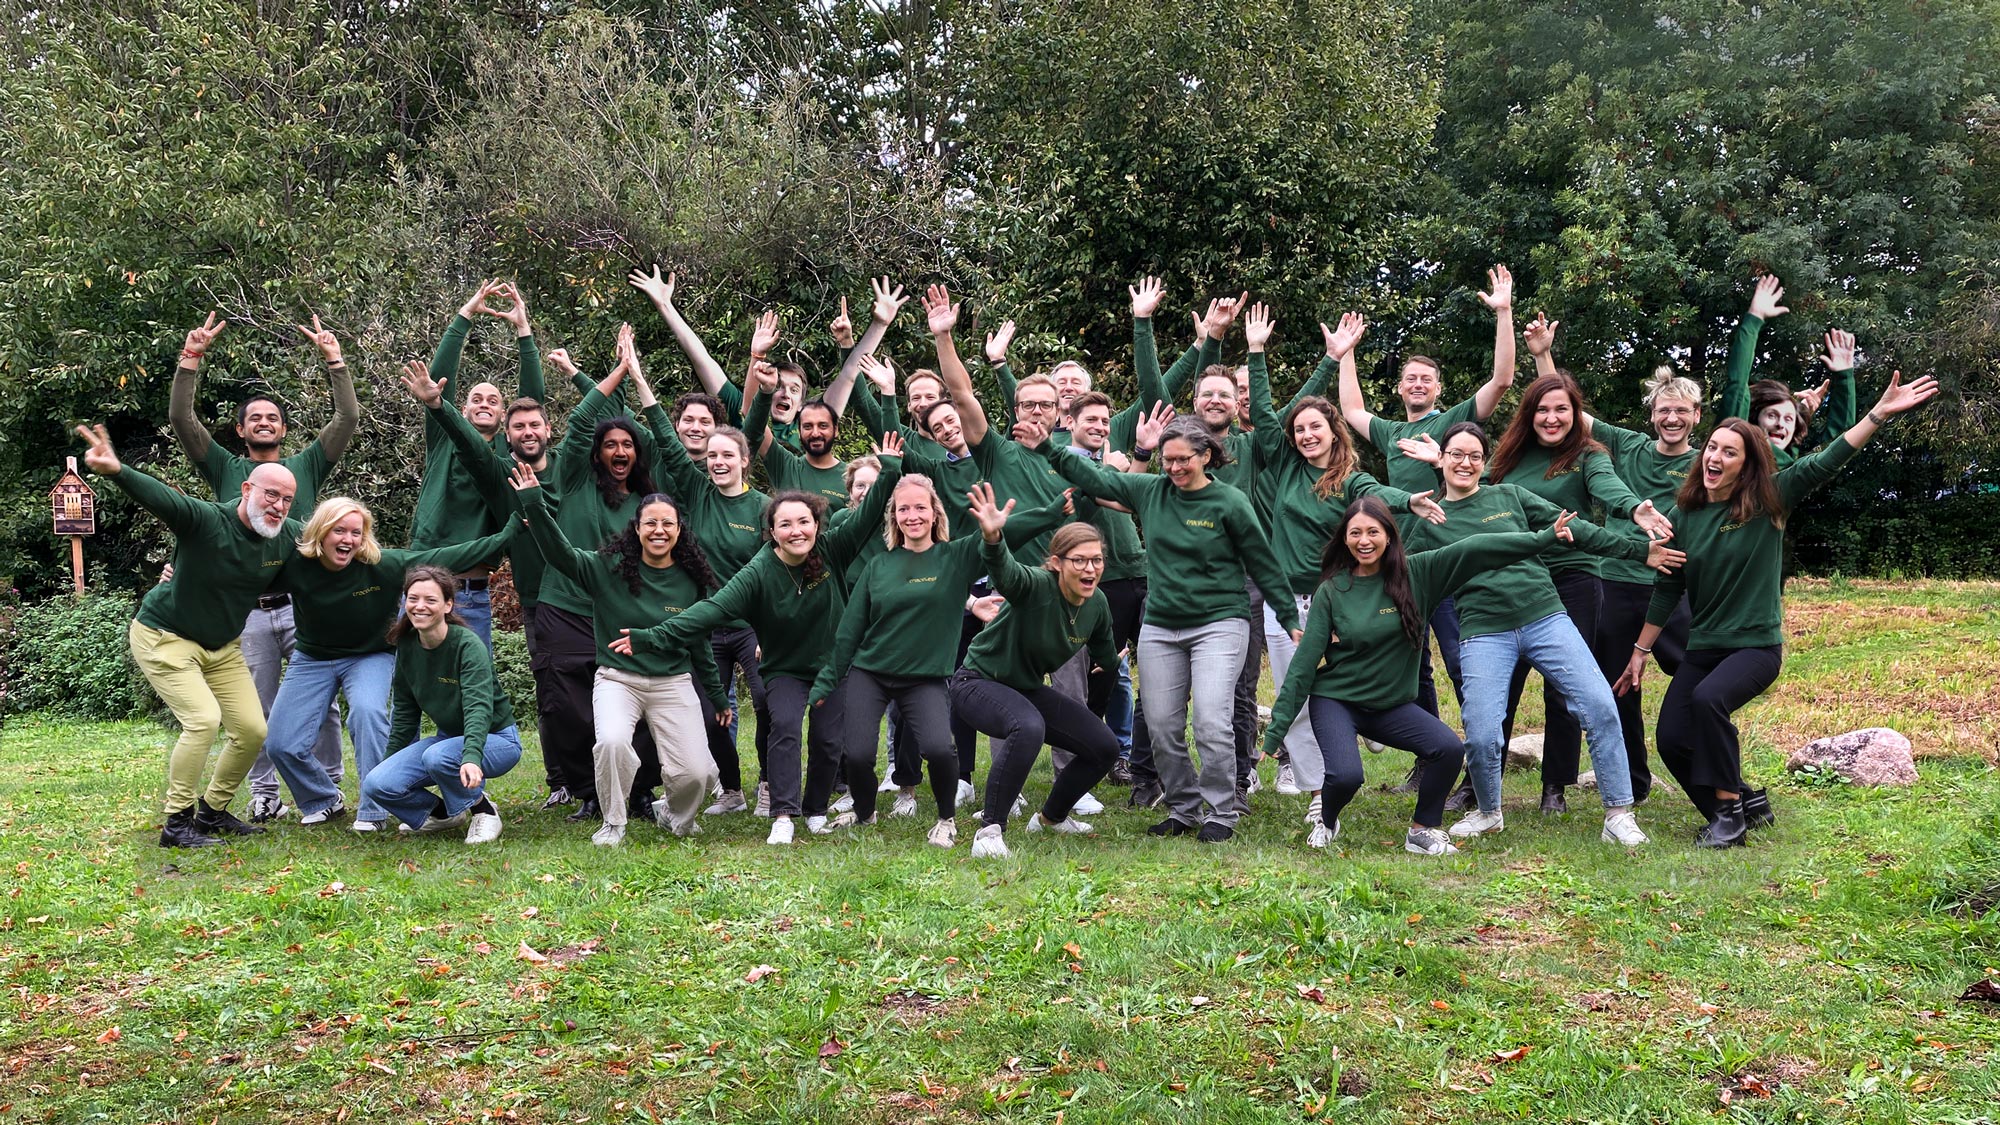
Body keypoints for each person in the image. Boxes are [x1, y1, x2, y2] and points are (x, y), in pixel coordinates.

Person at [1618, 373, 1939, 846]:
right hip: (1703, 647)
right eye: (1712, 448)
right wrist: (1641, 651)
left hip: (1754, 648)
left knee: (1709, 703)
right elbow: (1668, 588)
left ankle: (1728, 818)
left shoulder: (1768, 501)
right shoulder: (1685, 513)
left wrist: (1877, 414)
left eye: (1730, 452)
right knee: (1671, 740)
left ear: (1747, 465)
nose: (1715, 457)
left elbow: (1827, 460)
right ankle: (1743, 803)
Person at [1404, 422, 1683, 846]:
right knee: (1481, 734)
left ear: (1485, 463)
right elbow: (1403, 585)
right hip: (1483, 632)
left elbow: (1577, 529)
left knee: (1600, 706)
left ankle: (1618, 815)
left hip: (1545, 617)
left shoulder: (1509, 496)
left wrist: (1638, 550)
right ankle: (1488, 811)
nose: (1465, 463)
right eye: (1456, 454)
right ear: (1440, 459)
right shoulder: (1429, 524)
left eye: (1474, 456)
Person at [1264, 499, 1587, 855]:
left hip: (1389, 706)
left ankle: (1422, 830)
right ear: (1344, 539)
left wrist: (1541, 539)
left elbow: (1476, 548)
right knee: (1346, 776)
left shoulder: (1418, 574)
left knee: (1448, 750)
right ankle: (1327, 819)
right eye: (1355, 533)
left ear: (1389, 536)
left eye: (1373, 531)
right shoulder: (1333, 590)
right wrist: (1275, 733)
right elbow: (1304, 663)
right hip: (1337, 700)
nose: (1364, 540)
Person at [624, 441, 903, 845]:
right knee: (785, 727)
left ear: (817, 525)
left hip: (833, 666)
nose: (797, 531)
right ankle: (784, 814)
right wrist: (653, 636)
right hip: (785, 668)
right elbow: (711, 610)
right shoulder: (759, 571)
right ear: (771, 530)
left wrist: (890, 468)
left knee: (828, 741)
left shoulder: (834, 549)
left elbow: (873, 508)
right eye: (786, 524)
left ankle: (815, 810)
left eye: (804, 522)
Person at [1037, 413, 1299, 843]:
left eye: (1183, 460)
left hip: (1219, 623)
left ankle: (1221, 812)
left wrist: (1288, 616)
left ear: (1207, 455)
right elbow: (1096, 478)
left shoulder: (1229, 502)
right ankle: (1183, 808)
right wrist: (1049, 445)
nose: (1174, 468)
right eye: (1167, 459)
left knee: (1213, 720)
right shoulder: (1151, 491)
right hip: (1161, 627)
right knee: (1160, 724)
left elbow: (1262, 561)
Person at [1242, 305, 1443, 845]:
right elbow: (1263, 414)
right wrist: (1258, 354)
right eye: (1300, 429)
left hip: (1341, 600)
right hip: (1288, 601)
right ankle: (1316, 794)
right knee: (1298, 690)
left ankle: (1365, 727)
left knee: (1346, 685)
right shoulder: (1282, 463)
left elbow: (1375, 501)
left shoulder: (1348, 478)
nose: (1308, 435)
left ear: (1335, 432)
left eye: (1317, 427)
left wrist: (1409, 499)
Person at [168, 311, 359, 823]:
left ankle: (328, 788)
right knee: (255, 707)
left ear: (283, 427)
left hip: (304, 602)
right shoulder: (226, 467)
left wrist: (334, 360)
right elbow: (183, 422)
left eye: (272, 417)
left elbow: (346, 421)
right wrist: (191, 359)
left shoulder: (307, 466)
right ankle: (265, 794)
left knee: (322, 702)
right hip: (247, 609)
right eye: (255, 417)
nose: (264, 422)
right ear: (241, 428)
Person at [75, 423, 300, 847]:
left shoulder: (284, 536)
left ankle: (212, 813)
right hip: (166, 636)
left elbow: (323, 555)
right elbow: (163, 499)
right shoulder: (206, 521)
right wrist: (116, 469)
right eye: (272, 494)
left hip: (223, 646)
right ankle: (177, 824)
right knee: (203, 721)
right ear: (248, 489)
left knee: (253, 730)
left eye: (287, 500)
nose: (279, 506)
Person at [1480, 370, 1675, 813]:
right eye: (1543, 410)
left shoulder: (1589, 455)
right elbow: (1476, 491)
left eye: (1561, 410)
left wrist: (1633, 507)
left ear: (1575, 414)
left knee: (1562, 686)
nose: (1552, 418)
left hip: (1574, 580)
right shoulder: (1510, 456)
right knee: (1502, 683)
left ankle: (1555, 787)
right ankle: (1478, 782)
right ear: (1529, 415)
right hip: (1516, 577)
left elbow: (1608, 487)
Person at [261, 499, 514, 832]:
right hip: (313, 657)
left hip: (370, 655)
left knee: (368, 713)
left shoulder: (383, 565)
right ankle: (322, 799)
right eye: (339, 530)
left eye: (356, 532)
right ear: (321, 533)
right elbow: (243, 578)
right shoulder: (297, 565)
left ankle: (373, 811)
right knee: (279, 742)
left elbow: (447, 558)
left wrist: (508, 534)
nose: (348, 539)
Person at [512, 466, 733, 846]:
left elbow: (698, 643)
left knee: (695, 773)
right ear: (636, 528)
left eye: (668, 524)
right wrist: (534, 500)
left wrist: (715, 695)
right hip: (618, 679)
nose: (659, 531)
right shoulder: (607, 569)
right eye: (650, 523)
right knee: (612, 743)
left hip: (673, 681)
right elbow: (561, 555)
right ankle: (614, 822)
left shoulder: (691, 579)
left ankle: (672, 814)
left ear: (680, 530)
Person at [1339, 266, 1520, 724]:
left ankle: (1482, 754)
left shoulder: (1451, 421)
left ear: (1438, 388)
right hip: (1403, 562)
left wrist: (1503, 313)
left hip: (1447, 559)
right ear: (1400, 388)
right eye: (1410, 378)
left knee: (1462, 663)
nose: (1418, 384)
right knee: (1412, 664)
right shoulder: (1393, 431)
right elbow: (1352, 409)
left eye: (1426, 379)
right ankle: (1430, 757)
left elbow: (1501, 380)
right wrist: (1344, 354)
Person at [952, 487, 1121, 858]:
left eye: (1096, 561)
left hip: (1025, 688)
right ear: (1057, 563)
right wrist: (994, 538)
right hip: (976, 682)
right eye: (1079, 561)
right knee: (1028, 726)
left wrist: (1114, 660)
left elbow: (1107, 656)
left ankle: (1051, 818)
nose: (1090, 569)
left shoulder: (1098, 604)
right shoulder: (1036, 586)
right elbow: (1005, 571)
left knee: (1103, 746)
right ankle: (989, 834)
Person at [406, 281, 546, 646]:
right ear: (463, 409)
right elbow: (436, 386)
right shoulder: (444, 436)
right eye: (476, 398)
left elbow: (533, 401)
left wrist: (523, 329)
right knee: (413, 679)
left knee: (473, 682)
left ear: (503, 414)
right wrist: (464, 316)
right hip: (423, 579)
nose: (484, 403)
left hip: (471, 589)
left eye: (493, 400)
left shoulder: (508, 452)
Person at [363, 568, 520, 844]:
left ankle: (483, 811)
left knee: (438, 756)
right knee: (378, 783)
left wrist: (471, 756)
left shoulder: (467, 645)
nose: (420, 606)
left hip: (495, 740)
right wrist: (389, 764)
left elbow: (478, 708)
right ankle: (445, 814)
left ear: (448, 605)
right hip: (446, 743)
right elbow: (404, 713)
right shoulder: (408, 645)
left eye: (430, 600)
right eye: (413, 598)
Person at [1715, 276, 1857, 469]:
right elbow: (1737, 386)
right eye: (1772, 415)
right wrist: (1754, 318)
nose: (1781, 424)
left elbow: (1839, 445)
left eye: (1788, 419)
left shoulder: (1791, 470)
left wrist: (1844, 376)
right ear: (1754, 420)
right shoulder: (1736, 444)